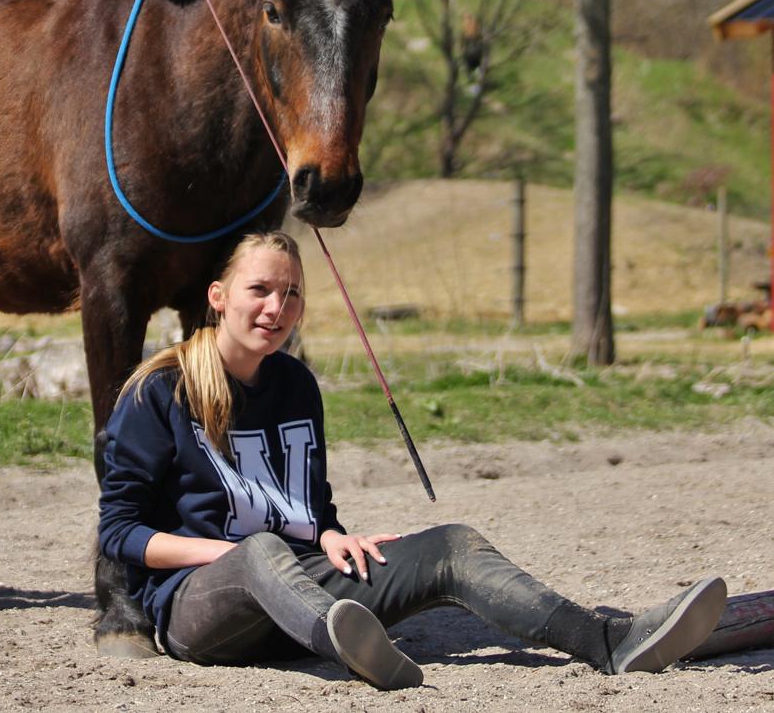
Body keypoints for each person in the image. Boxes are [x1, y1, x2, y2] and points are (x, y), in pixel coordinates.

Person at [98, 231, 726, 690]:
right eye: (259, 289)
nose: (276, 308)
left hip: (302, 581)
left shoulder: (296, 385)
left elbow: (310, 507)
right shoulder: (160, 389)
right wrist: (231, 555)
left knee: (451, 543)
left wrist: (335, 535)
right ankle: (350, 646)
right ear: (218, 296)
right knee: (262, 550)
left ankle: (610, 642)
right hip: (203, 611)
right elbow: (120, 533)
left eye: (291, 294)